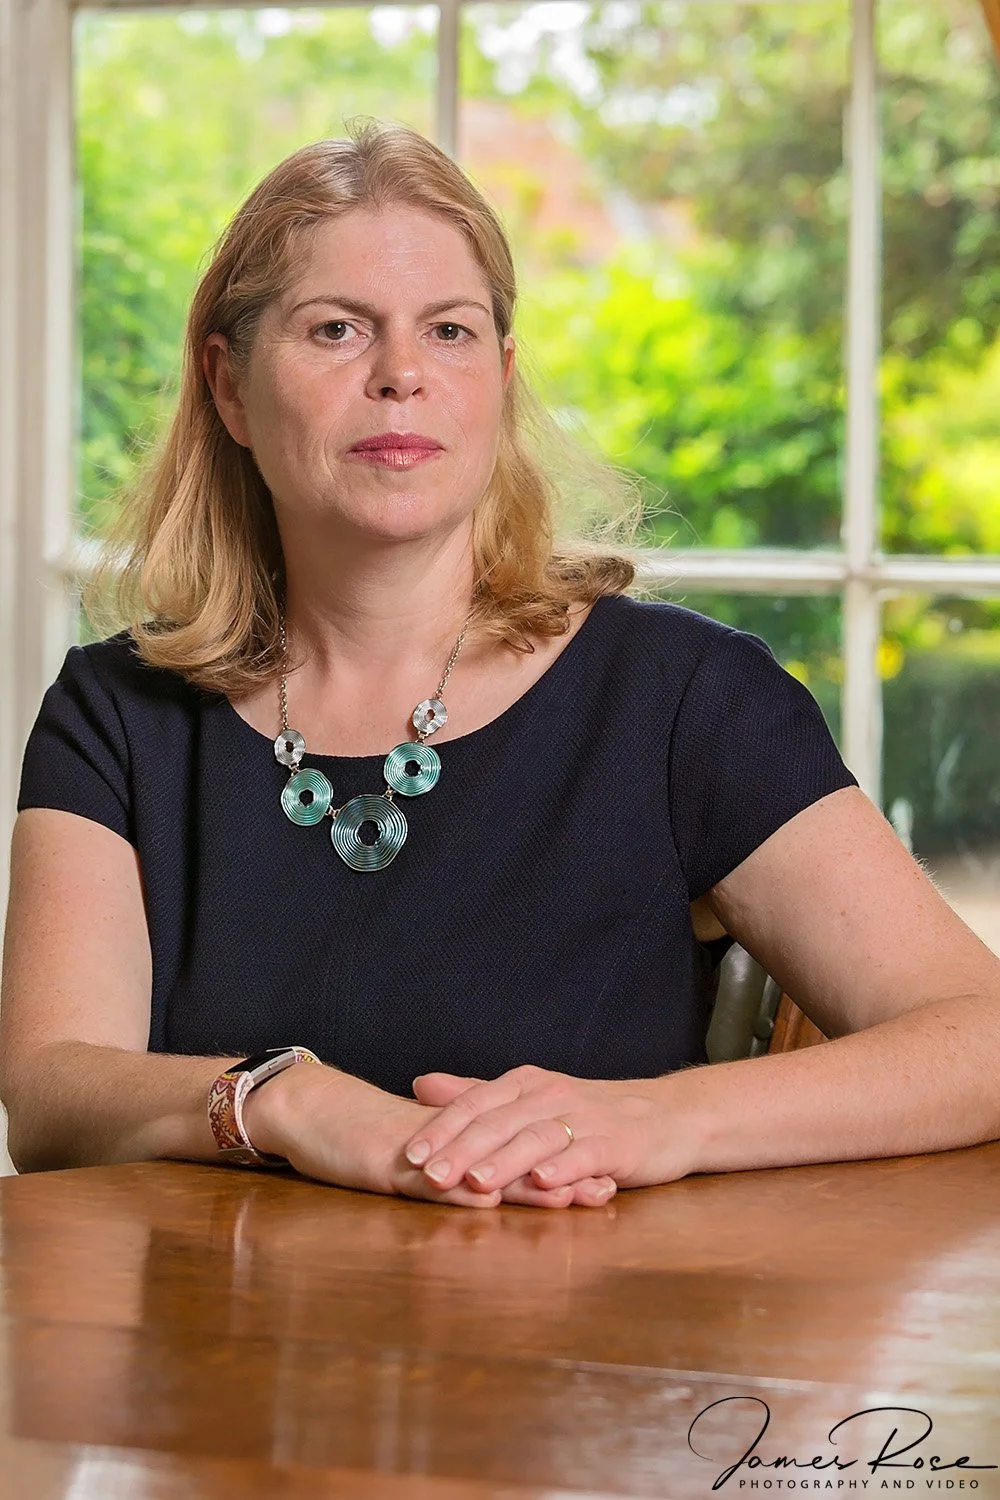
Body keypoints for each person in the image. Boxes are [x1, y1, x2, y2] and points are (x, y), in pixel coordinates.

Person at [3, 121, 998, 1210]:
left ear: (502, 377)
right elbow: (52, 1099)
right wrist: (281, 1102)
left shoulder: (683, 700)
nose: (401, 375)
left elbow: (976, 1036)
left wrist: (660, 1114)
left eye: (450, 331)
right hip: (218, 1363)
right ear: (230, 387)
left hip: (582, 1359)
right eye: (336, 329)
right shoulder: (114, 711)